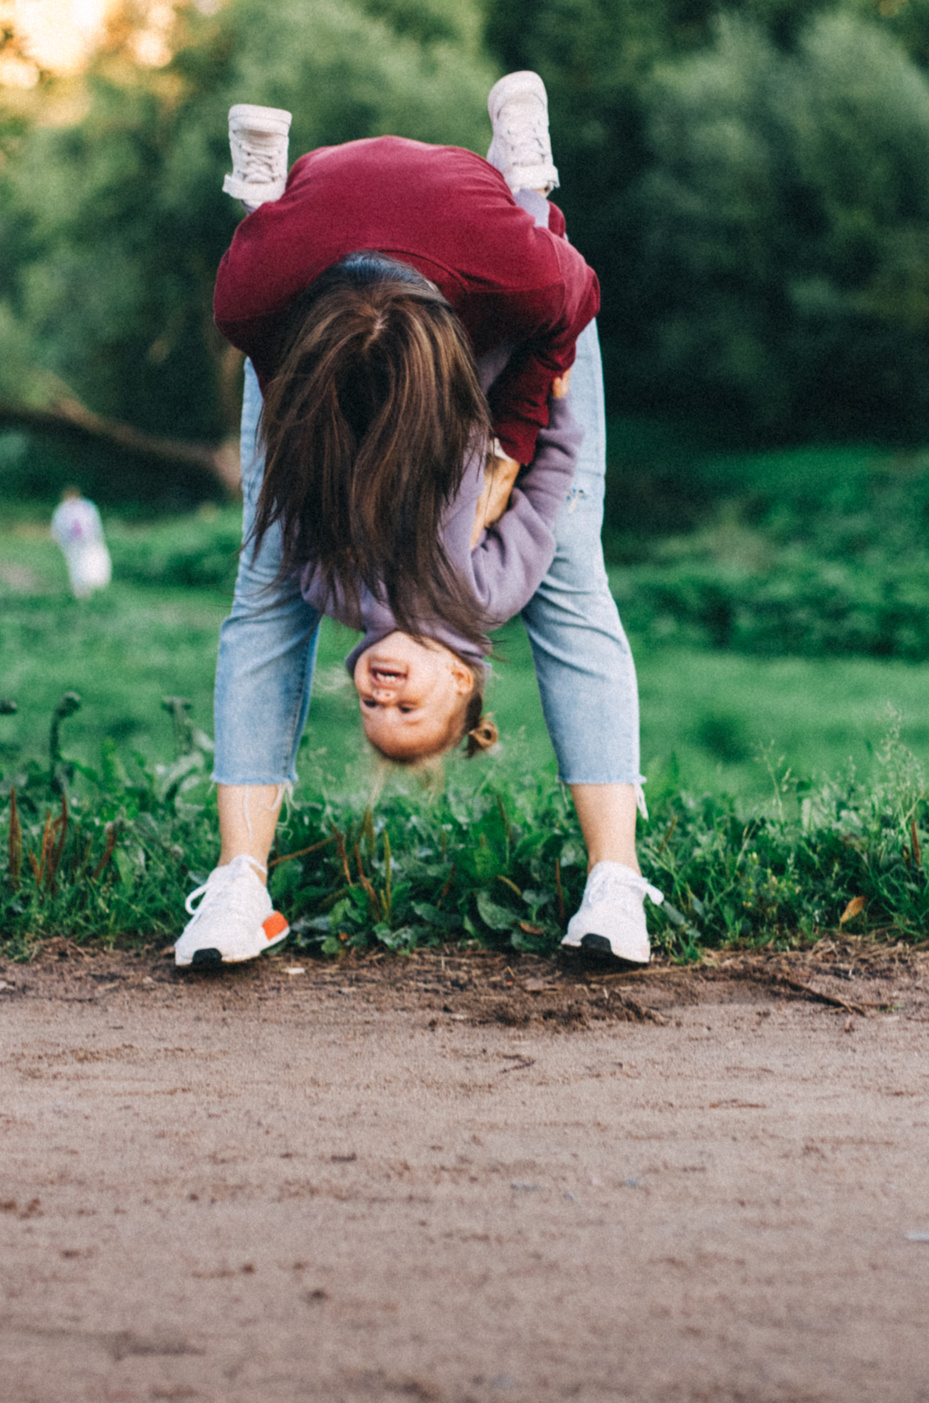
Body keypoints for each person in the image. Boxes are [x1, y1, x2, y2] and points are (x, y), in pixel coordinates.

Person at [174, 74, 659, 969]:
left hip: (391, 293)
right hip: (428, 304)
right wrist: (515, 455)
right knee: (562, 562)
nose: (382, 689)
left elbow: (569, 300)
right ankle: (241, 881)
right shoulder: (487, 586)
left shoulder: (250, 304)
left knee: (276, 570)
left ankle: (264, 200)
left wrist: (503, 440)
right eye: (409, 702)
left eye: (371, 703)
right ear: (465, 673)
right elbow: (568, 323)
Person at [304, 383, 582, 766]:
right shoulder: (483, 600)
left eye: (368, 704)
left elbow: (302, 527)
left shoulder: (345, 596)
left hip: (388, 382)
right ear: (459, 678)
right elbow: (543, 497)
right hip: (480, 390)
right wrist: (559, 408)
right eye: (406, 709)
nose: (383, 698)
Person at [48, 487, 111, 599]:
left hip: (89, 541)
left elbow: (94, 523)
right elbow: (57, 527)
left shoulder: (87, 507)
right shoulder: (62, 510)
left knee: (90, 563)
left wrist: (98, 537)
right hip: (72, 543)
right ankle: (79, 588)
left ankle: (94, 587)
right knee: (76, 566)